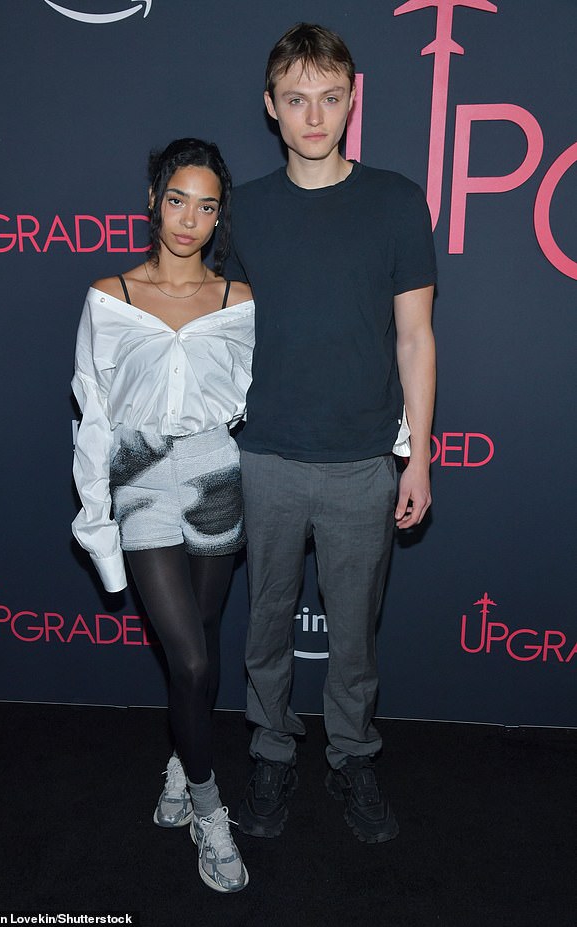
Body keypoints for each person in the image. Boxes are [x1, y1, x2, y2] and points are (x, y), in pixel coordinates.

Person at [226, 24, 437, 843]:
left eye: (330, 97)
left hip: (361, 464)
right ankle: (273, 752)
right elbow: (217, 338)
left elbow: (415, 337)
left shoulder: (395, 199)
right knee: (265, 625)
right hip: (267, 456)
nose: (314, 115)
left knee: (354, 638)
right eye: (296, 99)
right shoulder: (243, 211)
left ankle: (352, 758)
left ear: (352, 100)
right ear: (272, 108)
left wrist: (416, 454)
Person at [71, 138, 253, 893]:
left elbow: (237, 396)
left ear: (219, 216)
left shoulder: (235, 300)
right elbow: (91, 416)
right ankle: (209, 811)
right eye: (178, 198)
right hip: (140, 474)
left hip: (214, 470)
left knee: (206, 639)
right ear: (154, 198)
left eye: (207, 205)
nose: (190, 219)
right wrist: (98, 522)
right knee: (192, 660)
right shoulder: (108, 295)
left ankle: (183, 759)